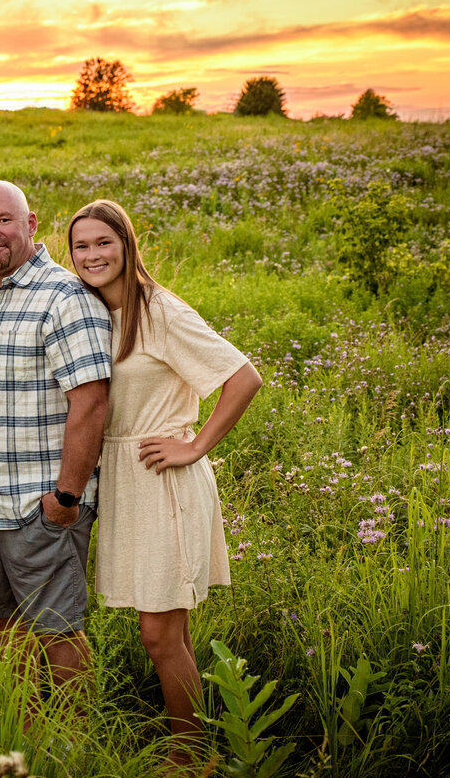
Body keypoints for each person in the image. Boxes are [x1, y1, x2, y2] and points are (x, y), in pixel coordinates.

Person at [67, 199, 262, 766]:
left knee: (160, 633)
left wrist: (195, 444)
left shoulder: (159, 310)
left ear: (127, 245)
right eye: (81, 245)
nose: (93, 254)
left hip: (161, 479)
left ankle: (190, 756)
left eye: (104, 242)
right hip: (122, 481)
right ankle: (189, 745)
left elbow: (243, 377)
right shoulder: (94, 310)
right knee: (160, 631)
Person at [0, 180, 111, 693]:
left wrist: (66, 498)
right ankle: (27, 732)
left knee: (58, 631)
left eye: (4, 220)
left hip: (39, 505)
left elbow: (90, 403)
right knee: (2, 627)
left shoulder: (65, 296)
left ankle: (76, 743)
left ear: (31, 223)